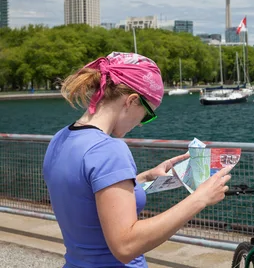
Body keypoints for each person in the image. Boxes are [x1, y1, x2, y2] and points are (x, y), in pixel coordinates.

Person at [43, 52, 232, 267]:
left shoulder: (61, 138)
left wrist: (144, 177)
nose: (142, 123)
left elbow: (86, 192)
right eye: (147, 113)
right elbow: (125, 246)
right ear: (131, 100)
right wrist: (200, 198)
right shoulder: (109, 150)